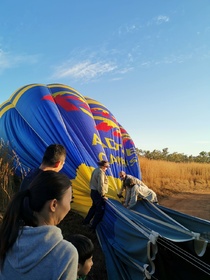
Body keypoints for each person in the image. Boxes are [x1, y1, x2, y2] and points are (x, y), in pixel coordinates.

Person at [0, 171, 78, 280]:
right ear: (54, 205)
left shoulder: (8, 236)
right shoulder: (66, 254)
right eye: (70, 201)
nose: (69, 208)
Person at [83, 160, 109, 230]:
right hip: (98, 193)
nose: (107, 168)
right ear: (104, 166)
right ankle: (93, 227)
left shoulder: (95, 170)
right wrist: (103, 195)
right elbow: (100, 185)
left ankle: (86, 222)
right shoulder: (101, 172)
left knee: (93, 208)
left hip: (93, 192)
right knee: (99, 211)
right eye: (107, 167)